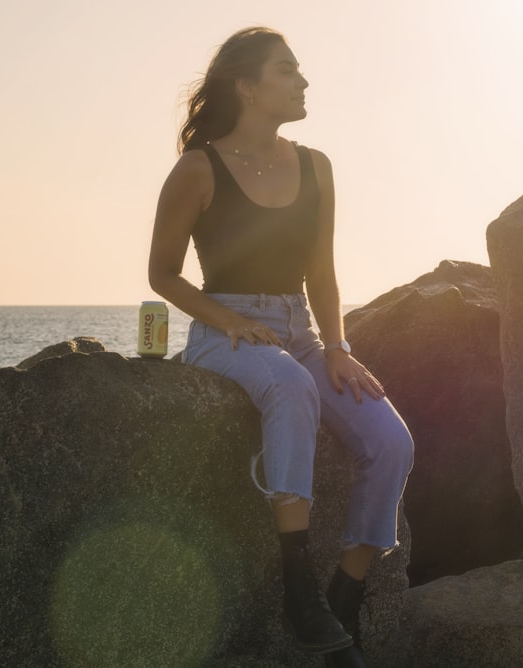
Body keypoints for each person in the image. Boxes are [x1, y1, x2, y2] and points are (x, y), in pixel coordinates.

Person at [147, 27, 413, 665]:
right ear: (247, 85)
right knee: (289, 389)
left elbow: (320, 274)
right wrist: (228, 321)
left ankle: (342, 599)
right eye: (288, 71)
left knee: (392, 441)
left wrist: (339, 346)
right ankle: (298, 588)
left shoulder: (316, 165)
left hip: (301, 333)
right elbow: (162, 273)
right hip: (225, 332)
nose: (303, 82)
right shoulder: (198, 168)